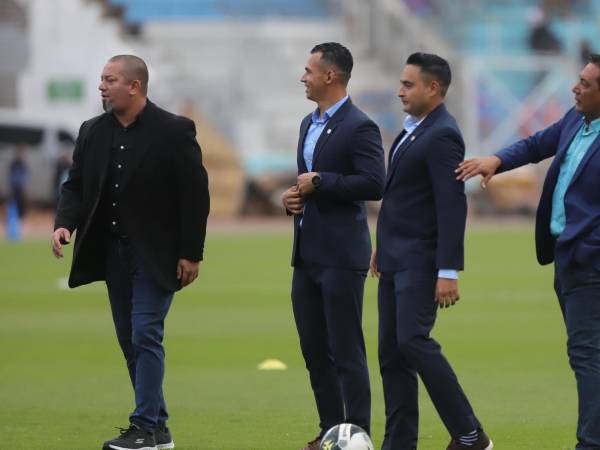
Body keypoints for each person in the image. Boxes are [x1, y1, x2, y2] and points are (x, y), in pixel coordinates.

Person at [51, 54, 210, 450]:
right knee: (130, 341)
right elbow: (76, 184)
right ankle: (158, 429)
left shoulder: (174, 130)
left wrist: (191, 252)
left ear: (134, 86)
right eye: (102, 80)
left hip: (156, 255)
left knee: (145, 335)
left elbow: (195, 196)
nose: (101, 86)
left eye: (110, 79)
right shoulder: (91, 131)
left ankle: (143, 427)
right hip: (111, 254)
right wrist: (64, 222)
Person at [456, 54, 600, 450]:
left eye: (586, 84)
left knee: (587, 355)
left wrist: (589, 246)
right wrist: (497, 160)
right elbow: (539, 143)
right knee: (589, 354)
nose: (576, 87)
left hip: (589, 260)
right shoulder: (576, 121)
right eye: (579, 80)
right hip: (568, 258)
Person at [371, 53, 493, 450]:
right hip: (394, 258)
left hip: (421, 261)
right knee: (392, 354)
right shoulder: (413, 128)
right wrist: (381, 247)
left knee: (412, 341)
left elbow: (451, 204)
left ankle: (469, 432)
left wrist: (448, 270)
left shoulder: (443, 134)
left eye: (408, 84)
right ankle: (400, 442)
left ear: (433, 88)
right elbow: (401, 196)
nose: (399, 91)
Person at [281, 42, 385, 450]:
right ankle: (331, 431)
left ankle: (357, 432)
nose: (303, 77)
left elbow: (374, 183)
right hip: (306, 253)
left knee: (346, 350)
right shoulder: (309, 123)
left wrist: (321, 182)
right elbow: (307, 182)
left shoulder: (360, 126)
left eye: (309, 70)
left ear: (331, 76)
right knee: (313, 350)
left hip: (342, 256)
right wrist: (294, 198)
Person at [8, 144, 29, 219]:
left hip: (21, 186)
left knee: (21, 202)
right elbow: (12, 175)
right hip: (15, 185)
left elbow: (25, 175)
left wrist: (24, 183)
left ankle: (21, 216)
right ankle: (14, 216)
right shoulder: (14, 163)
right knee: (14, 201)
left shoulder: (23, 163)